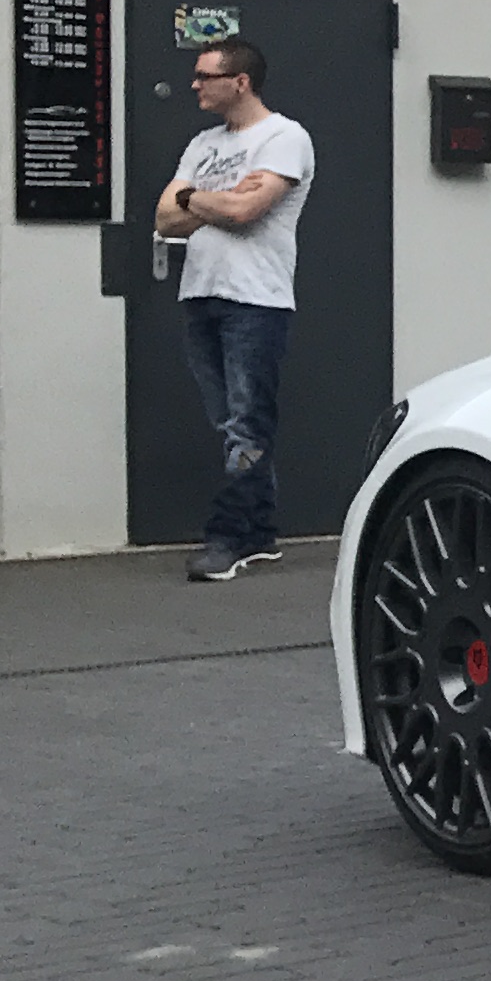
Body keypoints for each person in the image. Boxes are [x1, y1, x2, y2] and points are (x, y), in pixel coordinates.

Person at [153, 39, 315, 581]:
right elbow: (164, 219)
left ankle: (227, 538)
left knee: (247, 425)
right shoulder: (203, 143)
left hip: (255, 301)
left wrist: (192, 198)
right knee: (230, 424)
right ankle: (260, 532)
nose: (195, 85)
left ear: (240, 82)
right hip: (201, 295)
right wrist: (208, 202)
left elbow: (247, 211)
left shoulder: (284, 138)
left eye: (206, 76)